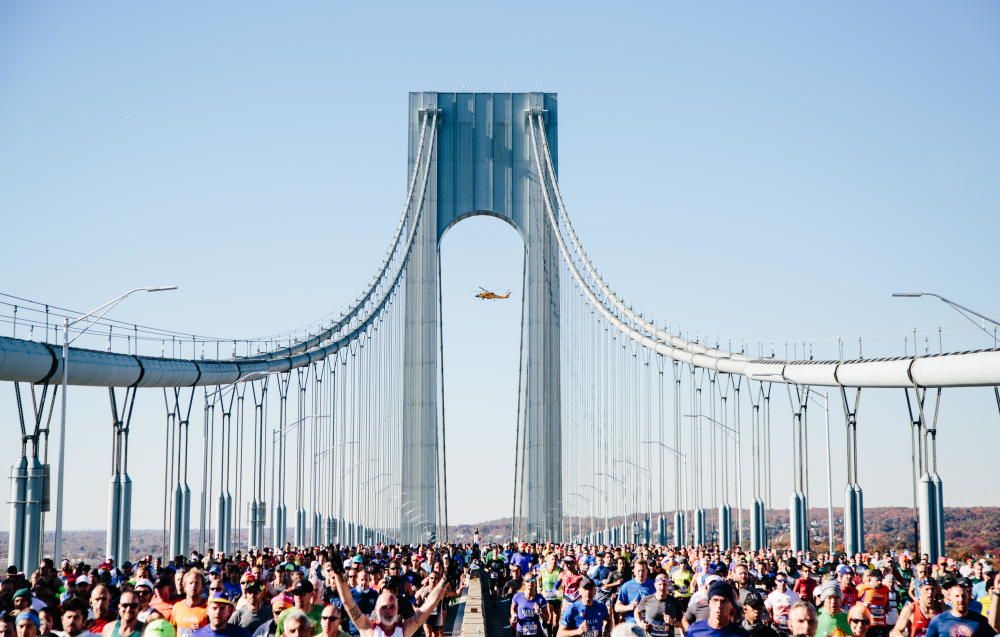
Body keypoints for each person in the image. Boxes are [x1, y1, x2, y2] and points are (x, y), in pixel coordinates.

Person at [329, 552, 451, 637]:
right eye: (384, 607)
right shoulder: (369, 629)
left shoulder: (403, 630)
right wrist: (338, 573)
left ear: (397, 609)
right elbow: (348, 602)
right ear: (376, 609)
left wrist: (445, 579)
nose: (388, 610)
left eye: (392, 606)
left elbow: (429, 605)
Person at [923, 578, 994, 637]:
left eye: (963, 596)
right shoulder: (939, 620)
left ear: (968, 597)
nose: (960, 599)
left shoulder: (980, 620)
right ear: (950, 598)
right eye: (957, 596)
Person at [171, 570, 208, 637]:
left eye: (197, 583)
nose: (193, 586)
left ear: (202, 587)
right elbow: (172, 631)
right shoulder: (177, 607)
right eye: (190, 583)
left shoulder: (208, 608)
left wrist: (202, 631)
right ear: (184, 587)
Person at [856, 571, 890, 637]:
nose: (880, 582)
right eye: (878, 580)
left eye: (881, 580)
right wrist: (862, 605)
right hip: (868, 625)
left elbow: (886, 603)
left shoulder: (885, 589)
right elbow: (853, 602)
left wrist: (887, 607)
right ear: (871, 578)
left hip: (881, 624)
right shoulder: (862, 587)